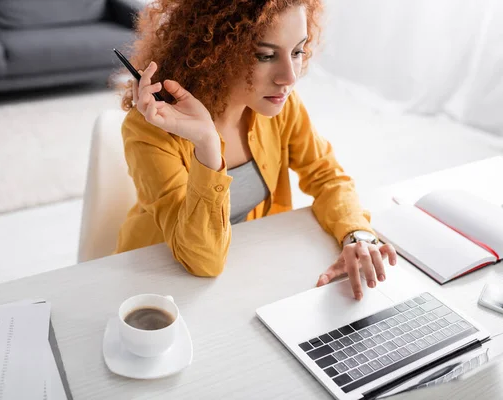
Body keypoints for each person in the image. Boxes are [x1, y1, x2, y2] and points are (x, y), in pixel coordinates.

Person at [114, 0, 397, 300]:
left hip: (246, 272)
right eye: (265, 55)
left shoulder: (280, 106)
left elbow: (327, 176)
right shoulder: (149, 131)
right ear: (217, 53)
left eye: (297, 51)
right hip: (157, 284)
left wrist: (357, 234)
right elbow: (202, 260)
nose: (289, 77)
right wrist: (207, 145)